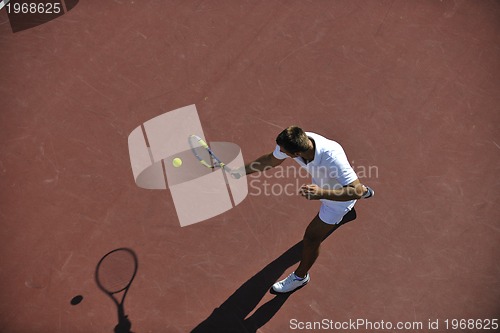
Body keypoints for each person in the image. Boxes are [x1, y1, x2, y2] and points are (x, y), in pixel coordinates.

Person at [242, 126, 374, 293]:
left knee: (311, 238)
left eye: (284, 151)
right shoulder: (296, 141)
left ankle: (300, 277)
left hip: (337, 201)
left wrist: (321, 193)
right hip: (325, 186)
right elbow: (270, 160)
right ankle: (363, 190)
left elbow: (355, 191)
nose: (280, 152)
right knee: (353, 186)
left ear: (296, 153)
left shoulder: (332, 157)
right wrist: (240, 172)